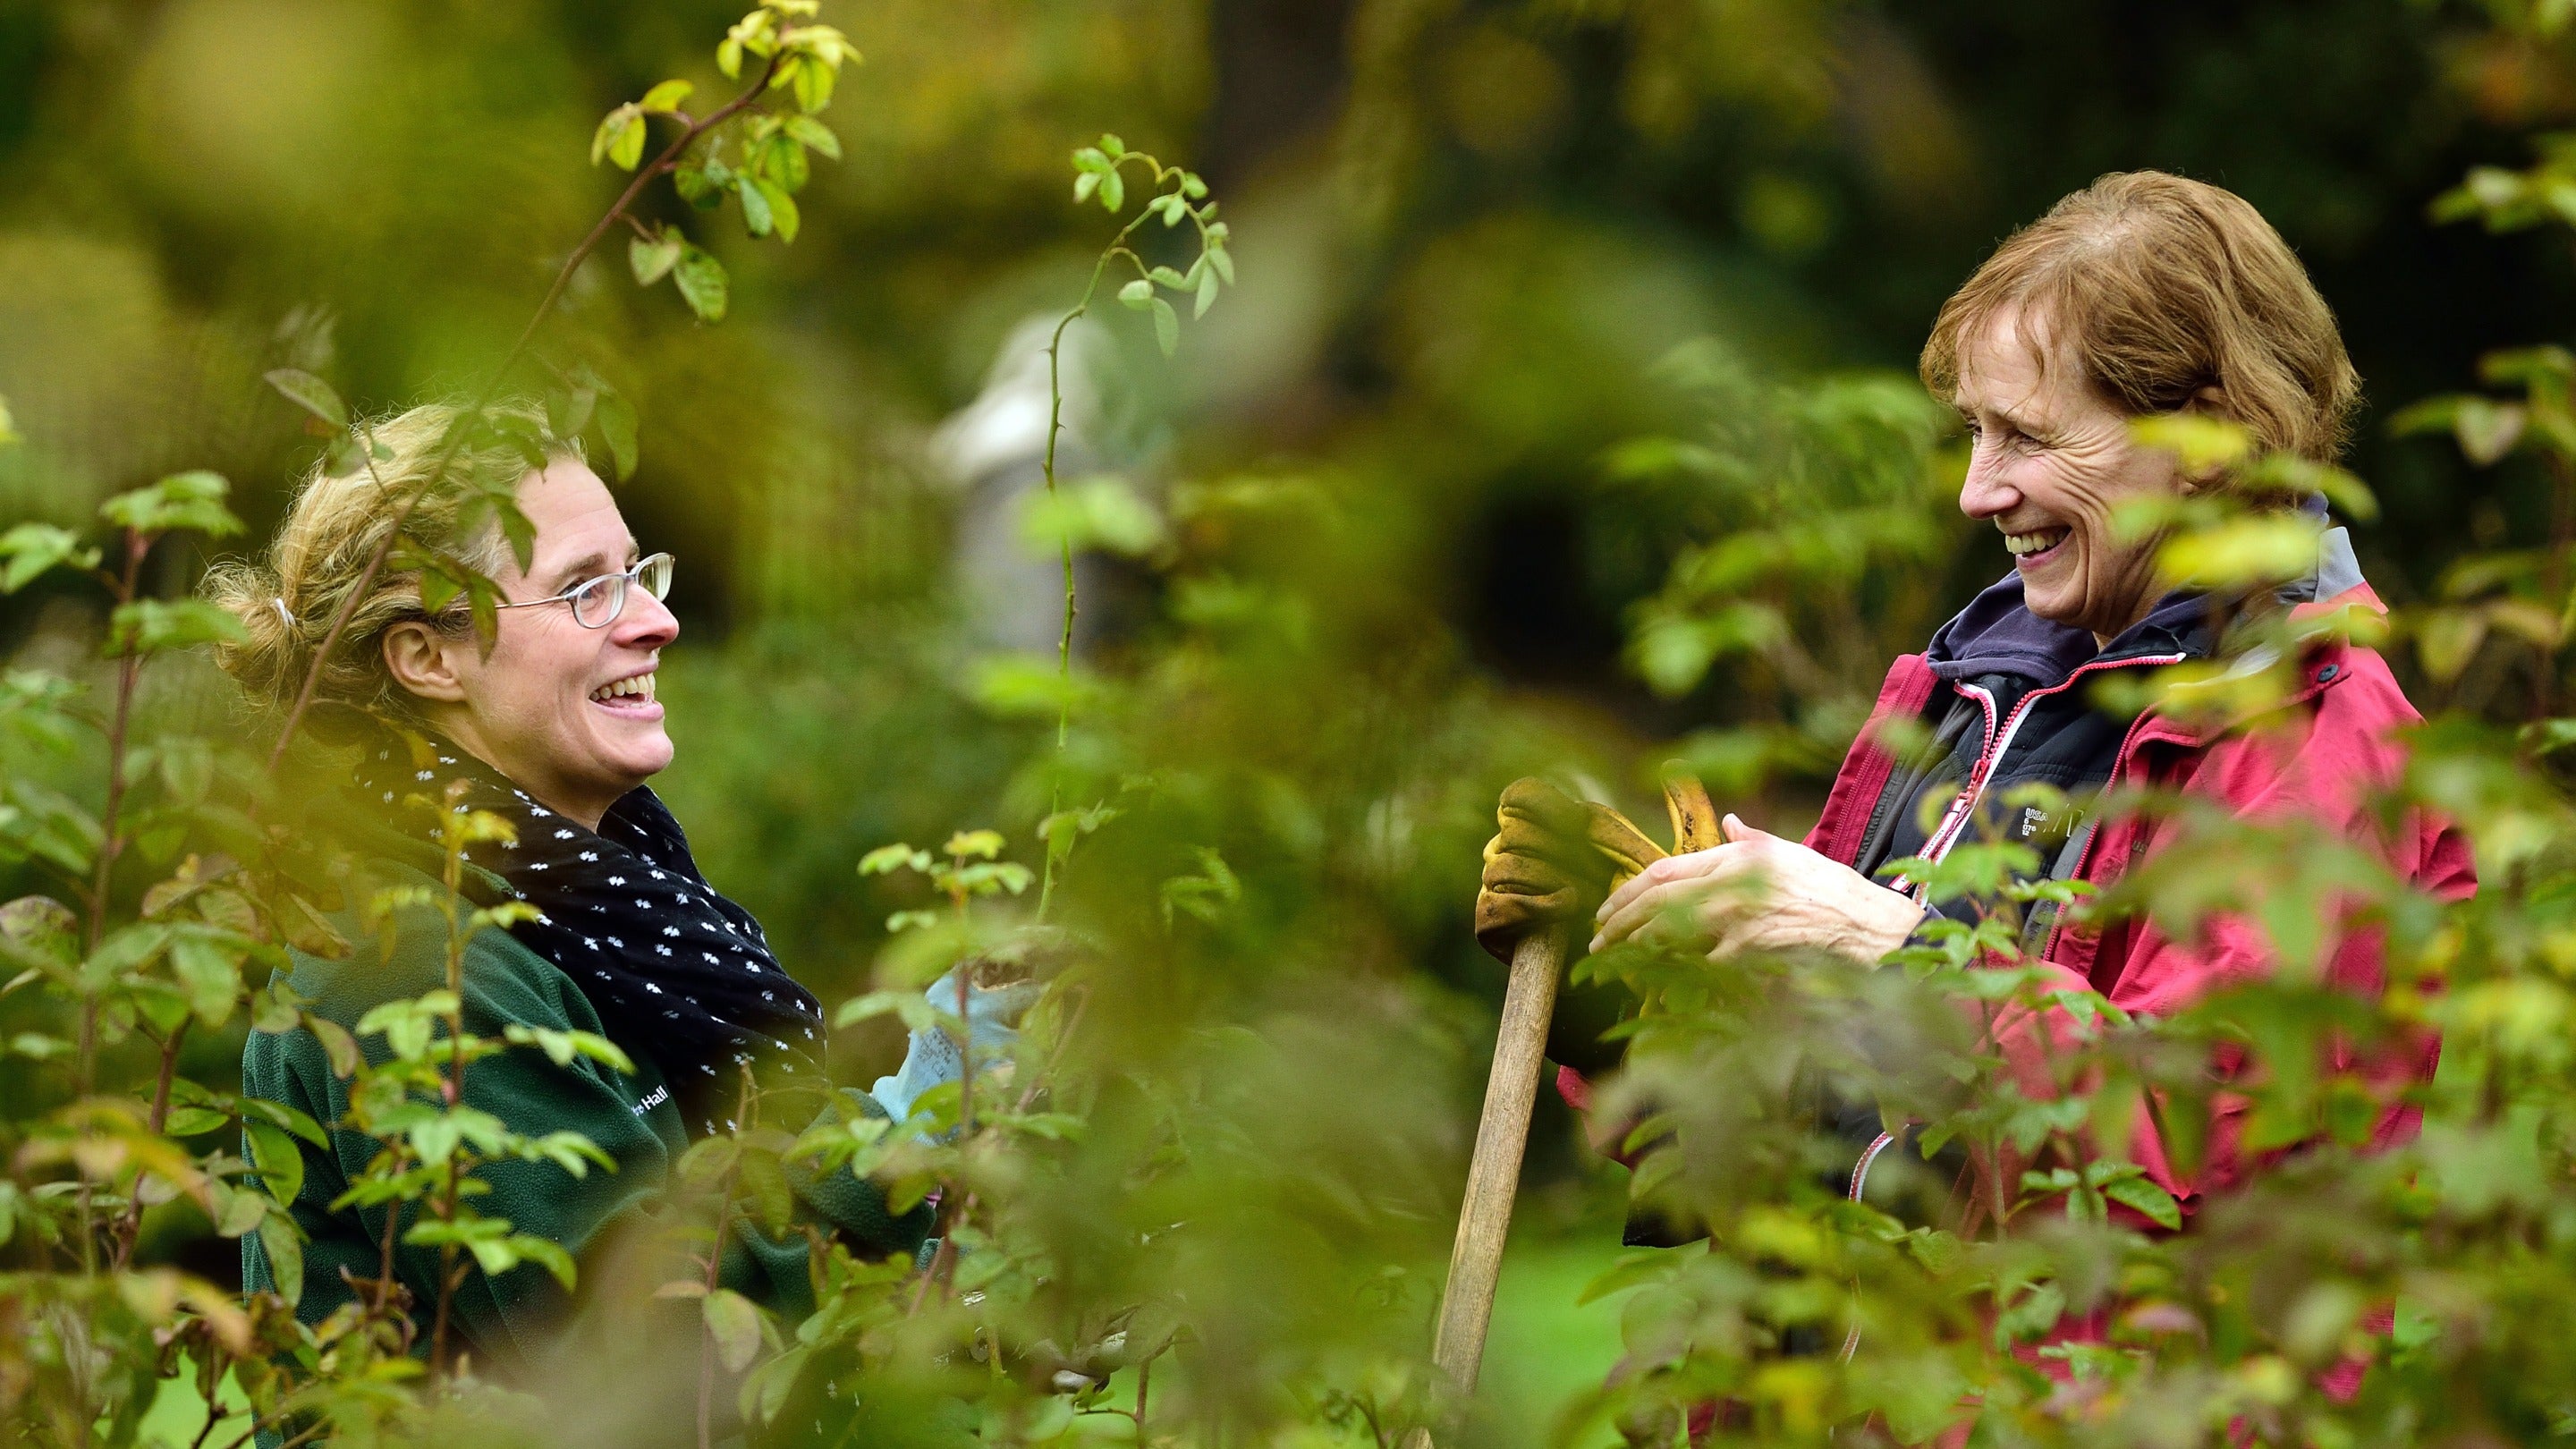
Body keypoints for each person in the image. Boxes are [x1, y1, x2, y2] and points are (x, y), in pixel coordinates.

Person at [1476, 171, 2475, 1352]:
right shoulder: (1984, 691)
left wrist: (1886, 942)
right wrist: (1635, 998)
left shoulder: (2310, 737)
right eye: (1975, 432)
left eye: (2028, 438)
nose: (1975, 491)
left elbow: (2196, 1145)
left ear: (2207, 439)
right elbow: (1824, 1145)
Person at [207, 403, 992, 1369]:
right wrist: (918, 1129)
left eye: (637, 574)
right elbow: (642, 1361)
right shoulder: (409, 963)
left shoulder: (603, 902)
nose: (657, 620)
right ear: (426, 657)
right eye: (586, 592)